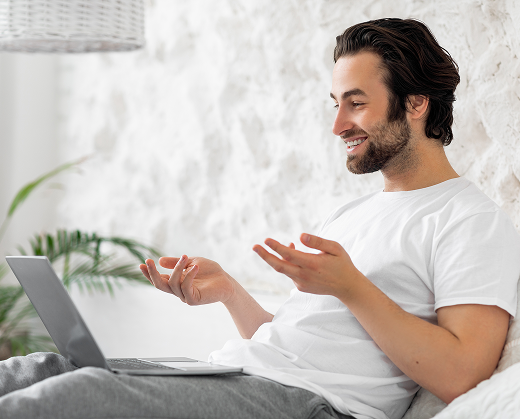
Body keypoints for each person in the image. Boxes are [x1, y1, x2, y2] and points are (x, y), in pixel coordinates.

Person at [1, 18, 519, 419]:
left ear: (417, 103)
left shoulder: (469, 220)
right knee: (36, 370)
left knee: (76, 397)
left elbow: (461, 374)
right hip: (245, 377)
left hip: (311, 405)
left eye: (357, 104)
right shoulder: (352, 214)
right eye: (336, 104)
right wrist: (230, 293)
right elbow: (298, 344)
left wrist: (352, 287)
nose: (338, 125)